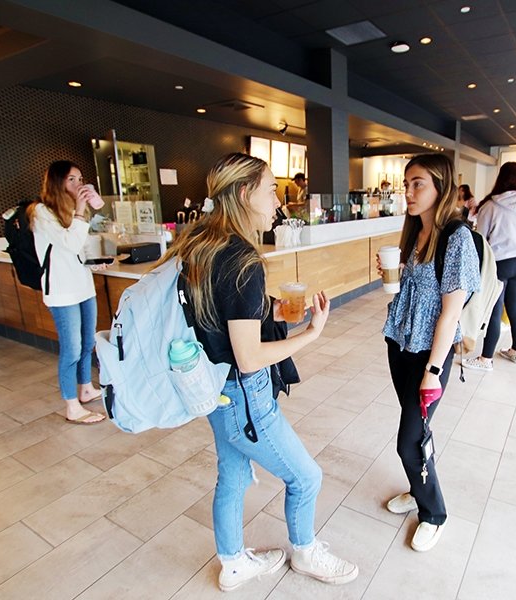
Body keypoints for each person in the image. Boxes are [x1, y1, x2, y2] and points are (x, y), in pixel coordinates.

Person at [162, 153, 358, 592]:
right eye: (272, 189)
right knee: (306, 476)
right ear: (246, 193)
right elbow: (249, 357)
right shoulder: (244, 261)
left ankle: (233, 564)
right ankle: (305, 552)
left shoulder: (199, 246)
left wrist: (268, 310)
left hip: (211, 387)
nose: (279, 199)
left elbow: (217, 313)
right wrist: (311, 332)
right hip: (243, 395)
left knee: (232, 474)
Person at [381, 154, 480, 552]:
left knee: (409, 442)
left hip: (429, 356)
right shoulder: (414, 232)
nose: (408, 192)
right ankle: (416, 487)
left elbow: (450, 313)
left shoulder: (457, 238)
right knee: (417, 431)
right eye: (406, 183)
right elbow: (413, 291)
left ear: (441, 187)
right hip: (399, 345)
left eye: (417, 183)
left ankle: (433, 513)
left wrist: (433, 371)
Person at [27, 161, 106, 424]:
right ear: (57, 182)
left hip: (83, 285)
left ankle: (85, 388)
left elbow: (80, 247)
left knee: (87, 343)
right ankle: (72, 406)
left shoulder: (70, 209)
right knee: (71, 349)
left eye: (80, 178)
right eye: (71, 179)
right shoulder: (40, 212)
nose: (78, 184)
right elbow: (70, 242)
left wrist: (94, 261)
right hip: (62, 292)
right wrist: (81, 209)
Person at [462, 162, 516, 371]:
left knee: (494, 311)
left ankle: (486, 359)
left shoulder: (491, 205)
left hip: (499, 264)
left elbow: (481, 238)